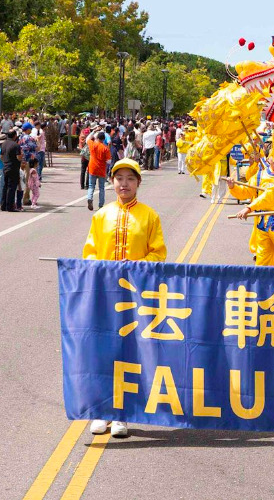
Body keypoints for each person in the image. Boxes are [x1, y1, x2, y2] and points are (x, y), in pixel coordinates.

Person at [83, 158, 167, 439]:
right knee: (102, 353)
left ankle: (122, 414)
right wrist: (99, 266)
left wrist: (139, 264)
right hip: (105, 297)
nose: (124, 184)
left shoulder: (150, 216)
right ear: (111, 182)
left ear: (138, 183)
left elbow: (159, 253)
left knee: (129, 355)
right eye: (119, 178)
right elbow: (90, 252)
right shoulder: (101, 216)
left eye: (130, 178)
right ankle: (100, 411)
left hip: (136, 299)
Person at [225, 147, 274, 266]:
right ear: (268, 158)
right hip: (262, 222)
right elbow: (246, 192)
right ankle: (263, 283)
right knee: (262, 258)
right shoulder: (260, 176)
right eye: (273, 155)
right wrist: (233, 186)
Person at [87, 132, 111, 211]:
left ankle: (89, 198)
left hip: (92, 168)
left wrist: (94, 131)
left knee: (91, 186)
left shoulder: (92, 144)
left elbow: (88, 138)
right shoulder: (105, 148)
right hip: (101, 170)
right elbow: (109, 161)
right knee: (101, 188)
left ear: (97, 138)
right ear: (104, 139)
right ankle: (101, 205)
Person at [0, 130, 22, 212]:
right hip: (13, 167)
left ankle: (3, 205)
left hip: (5, 166)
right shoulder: (16, 145)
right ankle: (10, 206)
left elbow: (1, 156)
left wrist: (6, 162)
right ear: (15, 136)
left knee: (5, 186)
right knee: (11, 187)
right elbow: (19, 157)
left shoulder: (4, 144)